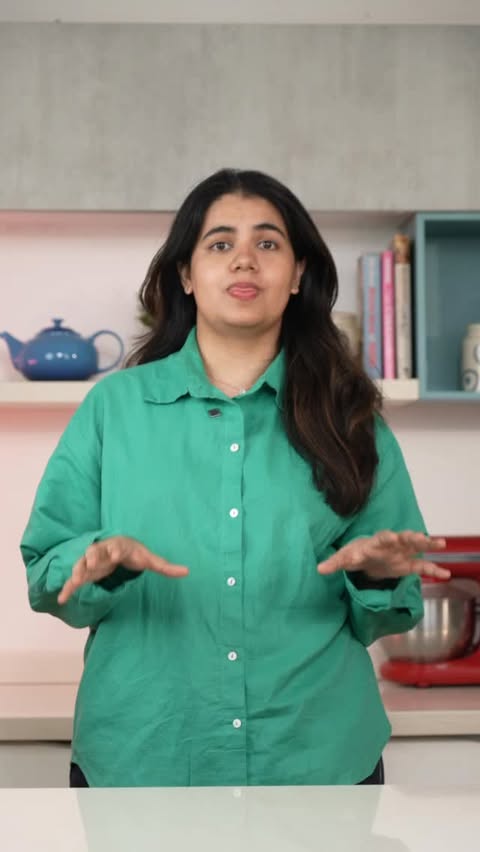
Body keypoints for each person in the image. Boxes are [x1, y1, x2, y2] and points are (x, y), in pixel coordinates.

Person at [20, 168, 448, 788]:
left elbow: (391, 612)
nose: (245, 260)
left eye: (268, 243)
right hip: (144, 760)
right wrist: (95, 562)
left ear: (297, 274)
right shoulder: (114, 409)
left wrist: (375, 575)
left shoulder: (350, 416)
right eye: (220, 243)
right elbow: (45, 572)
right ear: (187, 275)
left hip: (318, 762)